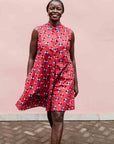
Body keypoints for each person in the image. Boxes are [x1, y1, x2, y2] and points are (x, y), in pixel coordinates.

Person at [15, 0, 79, 143]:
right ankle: (56, 135)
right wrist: (29, 79)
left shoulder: (69, 33)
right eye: (52, 8)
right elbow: (31, 57)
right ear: (47, 11)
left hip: (64, 77)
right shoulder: (37, 31)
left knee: (57, 115)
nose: (55, 11)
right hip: (43, 77)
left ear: (62, 12)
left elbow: (72, 58)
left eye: (58, 8)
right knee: (51, 111)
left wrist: (75, 82)